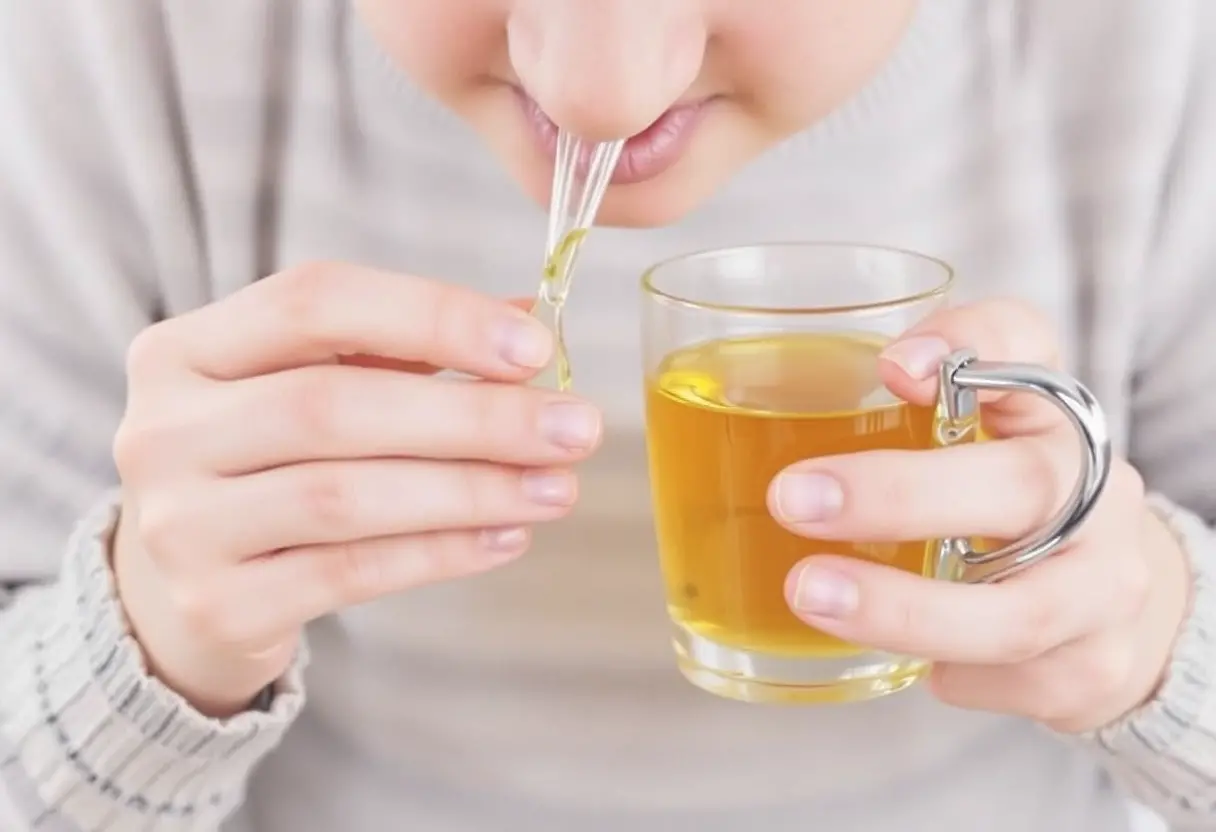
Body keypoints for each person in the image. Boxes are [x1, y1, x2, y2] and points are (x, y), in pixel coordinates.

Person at [0, 0, 1212, 829]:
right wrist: (154, 642)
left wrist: (1154, 632)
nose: (597, 90)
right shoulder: (120, 46)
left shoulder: (1155, 54)